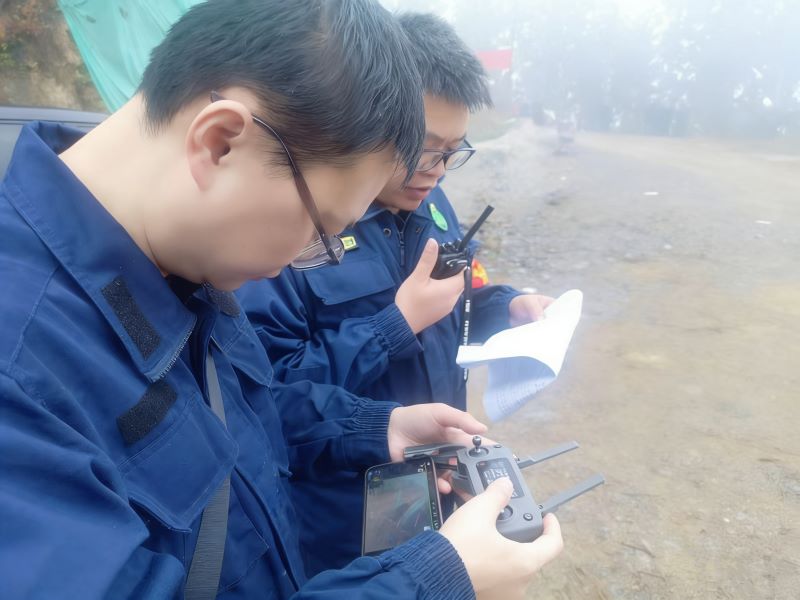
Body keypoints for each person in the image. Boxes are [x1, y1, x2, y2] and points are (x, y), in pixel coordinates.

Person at [0, 1, 563, 598]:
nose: (300, 260)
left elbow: (244, 421)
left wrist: (374, 426)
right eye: (321, 231)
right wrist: (433, 581)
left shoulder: (184, 267)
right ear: (219, 143)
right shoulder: (20, 370)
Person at [238, 12, 556, 576]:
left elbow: (457, 302)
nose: (436, 170)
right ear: (370, 116)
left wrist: (506, 306)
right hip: (338, 513)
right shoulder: (302, 225)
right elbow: (264, 393)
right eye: (422, 148)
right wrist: (394, 325)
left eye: (452, 150)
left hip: (437, 482)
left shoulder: (436, 206)